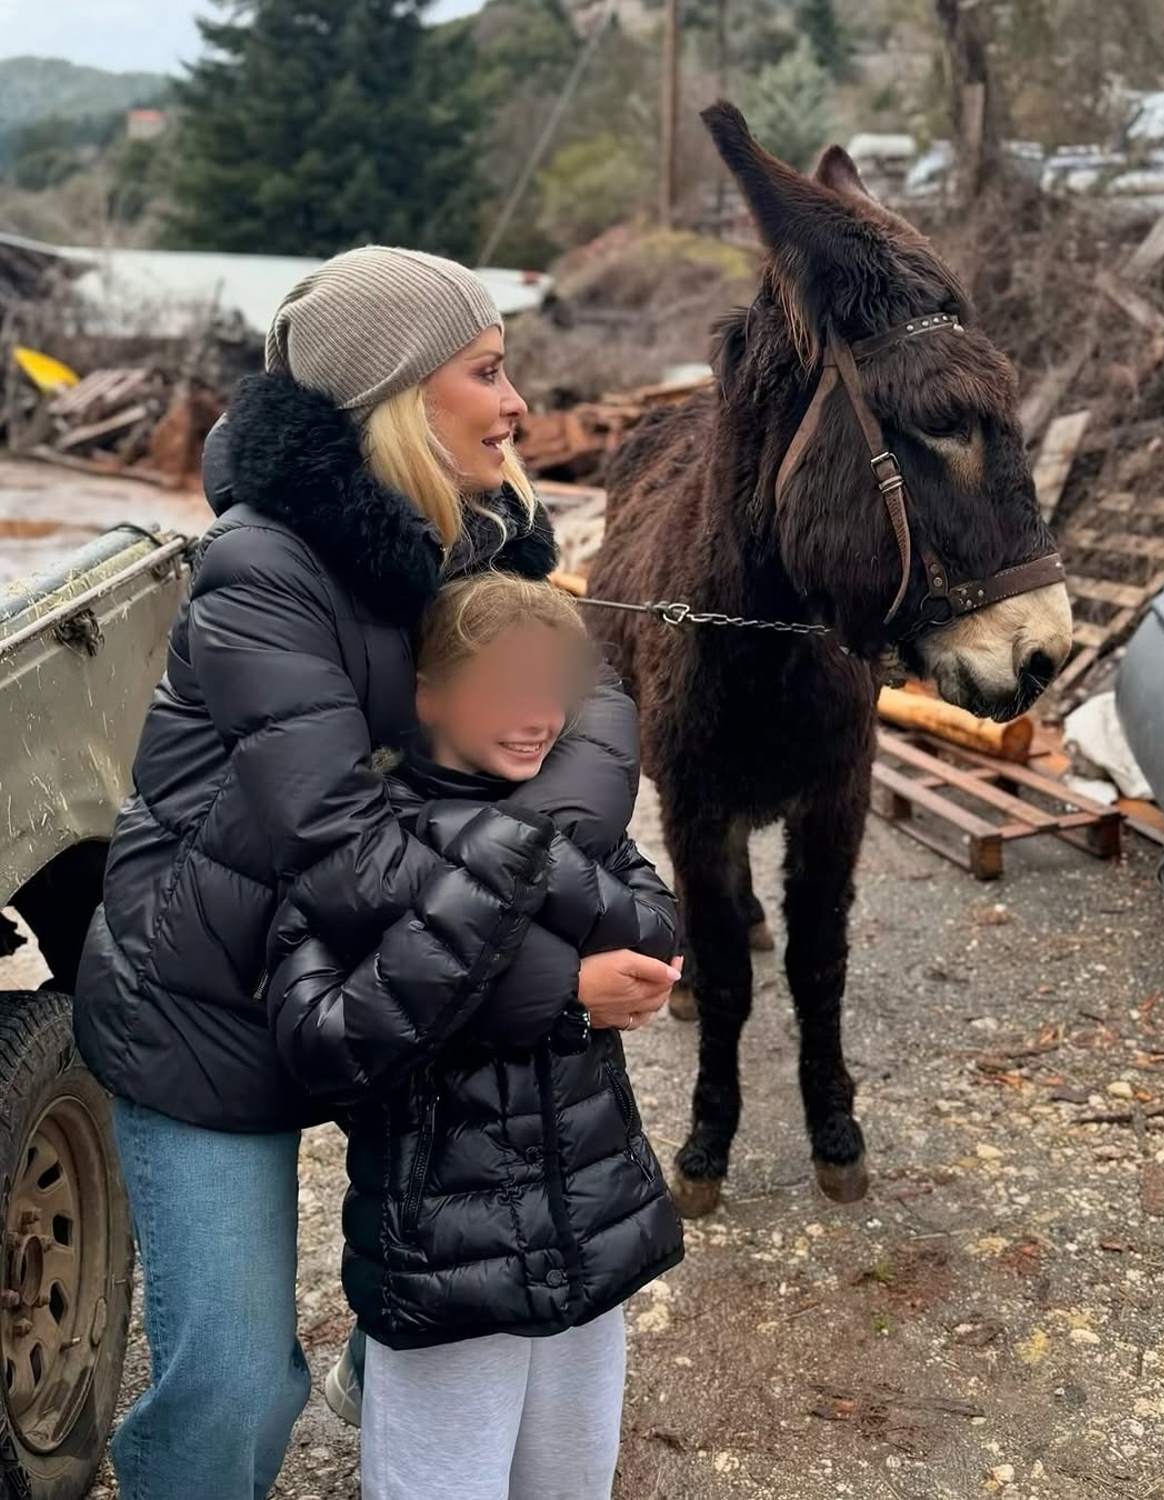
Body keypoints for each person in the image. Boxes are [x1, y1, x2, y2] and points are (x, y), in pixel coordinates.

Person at [72, 246, 679, 1500]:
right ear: (398, 395)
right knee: (237, 1387)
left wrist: (519, 877)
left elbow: (594, 717)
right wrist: (560, 972)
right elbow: (338, 842)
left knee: (459, 1260)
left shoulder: (487, 532)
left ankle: (381, 1364)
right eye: (487, 370)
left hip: (400, 969)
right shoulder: (264, 567)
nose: (518, 404)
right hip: (212, 1007)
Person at [267, 570, 685, 1500]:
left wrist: (527, 852)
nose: (538, 715)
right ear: (427, 693)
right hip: (443, 1258)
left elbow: (656, 930)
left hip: (590, 1228)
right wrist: (560, 977)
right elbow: (328, 1043)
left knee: (571, 1485)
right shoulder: (363, 842)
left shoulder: (569, 823)